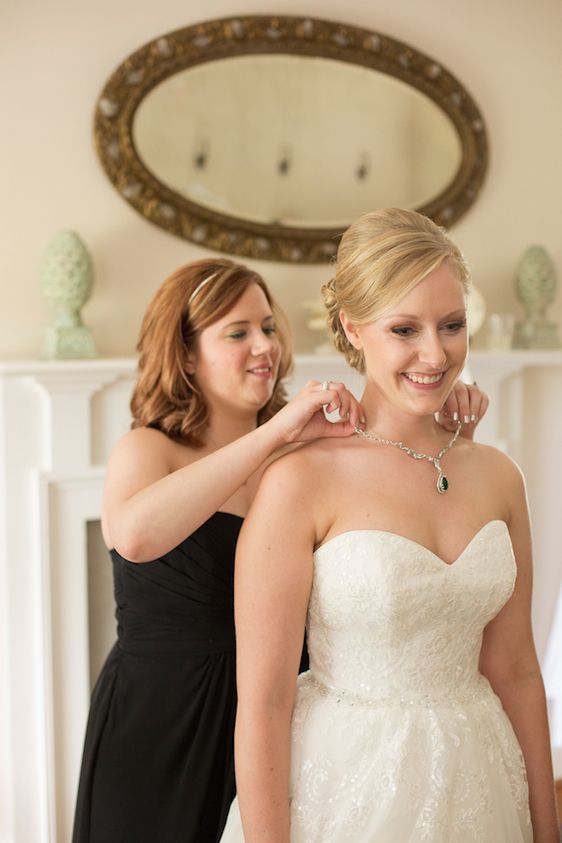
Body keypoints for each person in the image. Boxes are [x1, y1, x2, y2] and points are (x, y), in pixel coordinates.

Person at [71, 256, 486, 843]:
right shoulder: (148, 447)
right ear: (186, 353)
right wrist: (274, 434)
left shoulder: (305, 456)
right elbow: (136, 538)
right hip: (162, 718)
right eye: (237, 332)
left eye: (267, 326)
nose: (264, 345)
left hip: (278, 715)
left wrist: (447, 420)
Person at [222, 209, 559, 842]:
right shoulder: (300, 480)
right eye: (405, 328)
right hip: (349, 787)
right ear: (353, 326)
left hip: (482, 779)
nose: (436, 354)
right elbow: (264, 705)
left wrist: (548, 827)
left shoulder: (498, 476)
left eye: (453, 325)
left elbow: (515, 668)